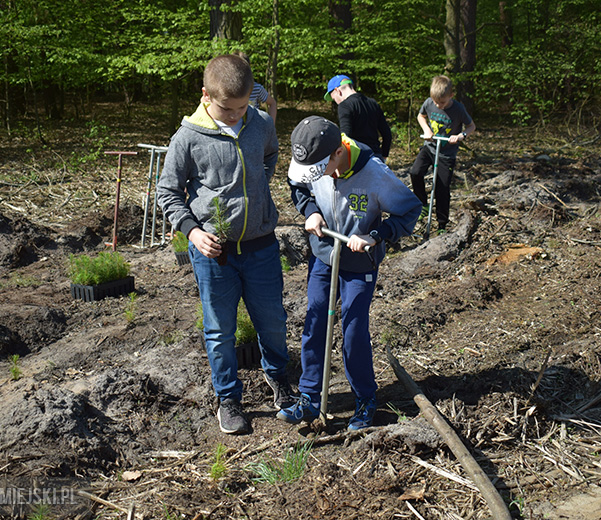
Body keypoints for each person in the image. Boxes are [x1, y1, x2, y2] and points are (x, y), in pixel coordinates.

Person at [156, 54, 294, 435]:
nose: (235, 115)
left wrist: (258, 189)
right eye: (227, 109)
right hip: (214, 255)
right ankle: (228, 398)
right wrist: (193, 232)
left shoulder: (260, 123)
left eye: (242, 106)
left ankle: (278, 378)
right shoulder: (187, 137)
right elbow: (167, 192)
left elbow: (270, 154)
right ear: (205, 96)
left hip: (261, 246)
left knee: (273, 320)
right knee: (220, 330)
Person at [278, 116, 421, 431]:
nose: (318, 176)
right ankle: (309, 397)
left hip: (359, 263)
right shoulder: (312, 160)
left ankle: (366, 398)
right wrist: (311, 211)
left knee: (354, 331)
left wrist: (376, 234)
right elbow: (298, 186)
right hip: (324, 254)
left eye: (321, 170)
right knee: (315, 320)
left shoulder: (375, 173)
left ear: (338, 153)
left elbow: (410, 209)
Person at [409, 75, 476, 233]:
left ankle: (442, 224)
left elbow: (471, 126)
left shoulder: (458, 109)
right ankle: (423, 204)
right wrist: (426, 129)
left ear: (451, 95)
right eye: (436, 101)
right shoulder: (429, 102)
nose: (438, 105)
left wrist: (461, 136)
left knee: (442, 188)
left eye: (442, 102)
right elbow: (421, 116)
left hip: (447, 154)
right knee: (415, 172)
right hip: (430, 147)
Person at [324, 74, 392, 161]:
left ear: (338, 91)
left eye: (334, 99)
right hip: (376, 156)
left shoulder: (344, 105)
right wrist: (384, 155)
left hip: (358, 158)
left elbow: (346, 136)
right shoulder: (373, 103)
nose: (336, 102)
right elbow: (387, 133)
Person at [236, 51, 277, 123]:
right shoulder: (226, 90)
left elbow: (272, 103)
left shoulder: (256, 88)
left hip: (253, 128)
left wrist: (271, 125)